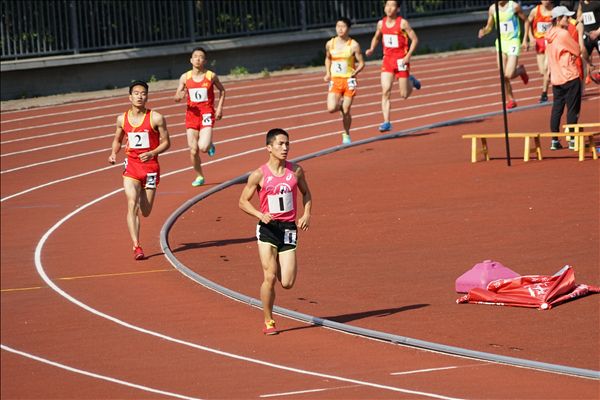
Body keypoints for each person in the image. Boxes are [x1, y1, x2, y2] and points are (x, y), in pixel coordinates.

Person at [238, 128, 312, 335]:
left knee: (287, 283)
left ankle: (279, 263)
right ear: (269, 148)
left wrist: (306, 214)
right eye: (280, 144)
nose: (285, 148)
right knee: (269, 277)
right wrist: (259, 215)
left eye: (287, 144)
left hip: (288, 229)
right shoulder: (259, 175)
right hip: (268, 229)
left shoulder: (296, 171)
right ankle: (269, 320)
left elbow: (307, 194)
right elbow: (242, 201)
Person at [109, 80, 171, 260]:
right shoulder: (122, 119)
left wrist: (152, 153)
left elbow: (167, 142)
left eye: (143, 93)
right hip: (132, 167)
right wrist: (113, 153)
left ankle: (144, 198)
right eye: (136, 93)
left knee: (146, 210)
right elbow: (117, 139)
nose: (140, 96)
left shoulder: (156, 118)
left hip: (150, 168)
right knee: (132, 204)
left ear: (147, 97)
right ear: (130, 97)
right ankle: (136, 246)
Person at [365, 0, 421, 132]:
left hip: (401, 61)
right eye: (387, 5)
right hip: (388, 61)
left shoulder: (402, 23)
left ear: (398, 9)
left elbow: (415, 39)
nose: (389, 8)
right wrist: (372, 48)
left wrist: (408, 56)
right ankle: (386, 122)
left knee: (404, 95)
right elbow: (377, 37)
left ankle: (411, 81)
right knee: (385, 91)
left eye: (392, 6)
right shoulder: (381, 23)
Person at [174, 47, 226, 187]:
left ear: (205, 61)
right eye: (195, 56)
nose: (197, 58)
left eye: (201, 57)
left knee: (203, 147)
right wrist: (179, 96)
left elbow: (222, 91)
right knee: (193, 150)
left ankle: (209, 144)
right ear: (191, 60)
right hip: (191, 116)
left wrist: (220, 108)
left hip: (207, 114)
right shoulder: (185, 77)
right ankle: (199, 176)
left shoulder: (211, 76)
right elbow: (177, 95)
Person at [478, 0, 530, 109]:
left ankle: (520, 70)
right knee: (503, 75)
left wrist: (525, 39)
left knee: (509, 74)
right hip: (501, 44)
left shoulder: (514, 6)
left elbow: (526, 21)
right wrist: (484, 31)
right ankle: (511, 99)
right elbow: (489, 26)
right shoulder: (493, 8)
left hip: (513, 42)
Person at [324, 17, 365, 144]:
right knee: (331, 108)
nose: (340, 29)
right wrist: (327, 73)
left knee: (347, 110)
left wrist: (356, 71)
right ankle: (340, 107)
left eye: (343, 26)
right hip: (335, 80)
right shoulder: (330, 44)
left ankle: (346, 134)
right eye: (338, 26)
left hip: (348, 80)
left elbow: (362, 63)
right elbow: (328, 59)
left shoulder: (353, 45)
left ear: (348, 28)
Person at [546, 5, 582, 150]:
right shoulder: (563, 34)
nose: (569, 19)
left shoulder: (549, 34)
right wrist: (579, 33)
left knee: (557, 109)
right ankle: (572, 140)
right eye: (566, 17)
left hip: (556, 78)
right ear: (558, 19)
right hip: (569, 76)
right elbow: (578, 50)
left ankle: (554, 140)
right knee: (573, 109)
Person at [528, 1, 554, 102]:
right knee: (542, 71)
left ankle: (544, 94)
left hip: (550, 42)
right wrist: (530, 37)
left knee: (547, 68)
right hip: (539, 42)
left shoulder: (554, 11)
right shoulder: (535, 10)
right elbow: (527, 22)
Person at [577, 0, 600, 83]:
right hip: (587, 35)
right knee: (583, 53)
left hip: (598, 35)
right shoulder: (581, 3)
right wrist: (578, 20)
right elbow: (581, 14)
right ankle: (588, 71)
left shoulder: (597, 3)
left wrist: (597, 32)